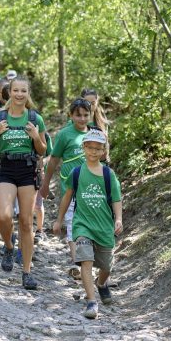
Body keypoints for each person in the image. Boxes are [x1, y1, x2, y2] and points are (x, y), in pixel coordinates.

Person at [0, 75, 47, 290]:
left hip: (27, 170)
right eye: (16, 90)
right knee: (3, 215)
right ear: (9, 92)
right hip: (6, 169)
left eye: (24, 91)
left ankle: (27, 272)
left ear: (28, 94)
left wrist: (36, 137)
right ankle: (9, 246)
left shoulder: (35, 118)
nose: (19, 94)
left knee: (27, 223)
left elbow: (42, 150)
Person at [53, 129, 122, 319]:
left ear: (103, 151)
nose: (93, 152)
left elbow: (116, 199)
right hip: (82, 225)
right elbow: (67, 198)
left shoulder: (109, 175)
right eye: (89, 147)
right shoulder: (76, 173)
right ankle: (92, 301)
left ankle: (101, 284)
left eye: (97, 149)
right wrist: (59, 220)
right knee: (86, 261)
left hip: (104, 226)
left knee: (107, 267)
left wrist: (118, 219)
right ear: (83, 148)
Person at [40, 98, 92, 279]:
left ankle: (89, 260)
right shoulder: (64, 134)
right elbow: (54, 160)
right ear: (71, 115)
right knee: (72, 224)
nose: (83, 119)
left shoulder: (94, 133)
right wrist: (45, 183)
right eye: (78, 115)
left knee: (90, 225)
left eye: (86, 115)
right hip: (70, 189)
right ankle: (77, 262)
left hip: (91, 190)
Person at [34, 129, 53, 244]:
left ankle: (39, 230)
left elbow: (51, 155)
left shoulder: (45, 135)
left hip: (39, 175)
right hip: (23, 172)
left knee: (38, 203)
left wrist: (42, 163)